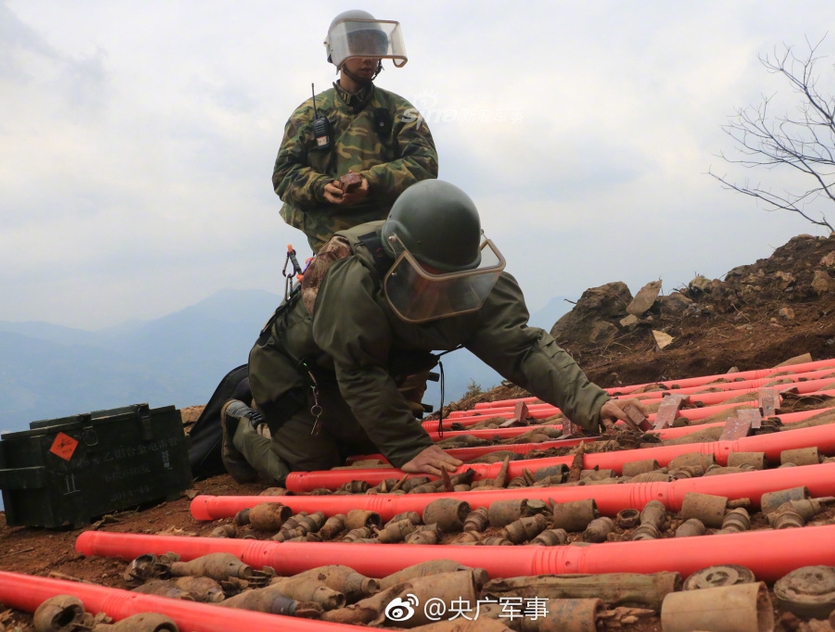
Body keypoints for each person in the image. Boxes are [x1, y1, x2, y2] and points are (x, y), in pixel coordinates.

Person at [220, 180, 645, 484]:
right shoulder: (356, 277)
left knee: (362, 444)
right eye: (433, 276)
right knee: (310, 466)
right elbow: (359, 371)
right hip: (297, 368)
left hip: (374, 366)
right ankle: (241, 421)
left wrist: (592, 404)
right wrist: (408, 448)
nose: (447, 288)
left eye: (454, 277)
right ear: (399, 256)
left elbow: (522, 348)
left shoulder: (468, 277)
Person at [272, 9, 439, 254]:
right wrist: (321, 187)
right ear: (339, 51)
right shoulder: (308, 114)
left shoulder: (399, 110)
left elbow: (425, 164)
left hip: (391, 234)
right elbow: (283, 174)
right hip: (330, 240)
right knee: (335, 278)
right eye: (359, 46)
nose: (369, 57)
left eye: (374, 47)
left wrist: (370, 181)